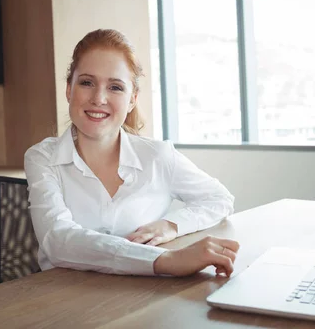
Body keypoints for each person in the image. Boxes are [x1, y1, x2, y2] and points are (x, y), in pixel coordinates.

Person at [24, 28, 239, 277]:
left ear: (132, 99)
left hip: (140, 298)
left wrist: (172, 225)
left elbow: (219, 199)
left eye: (115, 87)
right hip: (61, 299)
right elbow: (57, 240)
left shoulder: (158, 156)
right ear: (69, 90)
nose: (98, 98)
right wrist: (166, 260)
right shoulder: (42, 158)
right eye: (86, 83)